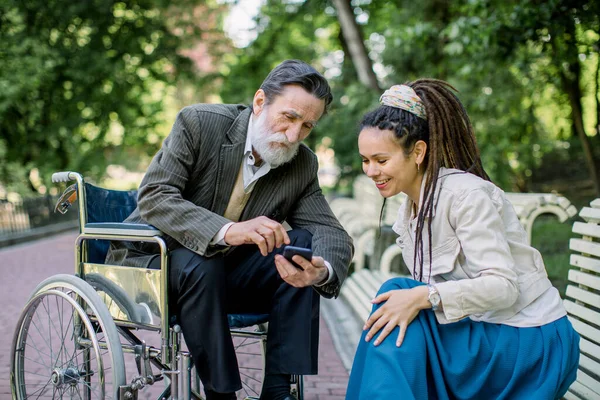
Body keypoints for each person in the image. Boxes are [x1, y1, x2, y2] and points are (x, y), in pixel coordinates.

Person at [107, 59, 354, 400]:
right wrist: (228, 231)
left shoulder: (302, 163)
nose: (294, 135)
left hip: (224, 276)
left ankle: (279, 390)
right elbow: (154, 196)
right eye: (290, 117)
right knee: (201, 263)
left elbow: (330, 230)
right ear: (259, 102)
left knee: (300, 249)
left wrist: (320, 270)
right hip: (156, 265)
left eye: (308, 126)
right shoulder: (199, 123)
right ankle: (221, 394)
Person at [346, 81, 580, 399]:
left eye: (381, 160)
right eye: (365, 160)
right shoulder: (410, 209)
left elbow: (504, 287)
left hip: (528, 342)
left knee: (400, 295)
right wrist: (419, 298)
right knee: (397, 305)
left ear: (417, 152)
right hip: (484, 335)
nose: (371, 171)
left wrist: (422, 297)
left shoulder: (466, 195)